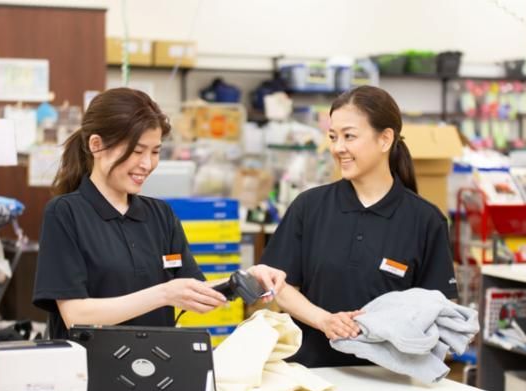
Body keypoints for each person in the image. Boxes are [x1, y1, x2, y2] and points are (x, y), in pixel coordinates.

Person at [33, 88, 285, 339]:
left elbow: (194, 290)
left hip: (157, 359)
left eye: (155, 152)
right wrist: (164, 294)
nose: (147, 164)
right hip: (88, 362)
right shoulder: (65, 213)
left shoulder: (160, 215)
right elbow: (76, 315)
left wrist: (243, 281)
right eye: (137, 151)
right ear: (96, 145)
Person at [261, 86, 458, 368]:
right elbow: (279, 285)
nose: (338, 147)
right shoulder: (309, 207)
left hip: (391, 377)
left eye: (349, 136)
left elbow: (435, 308)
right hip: (314, 374)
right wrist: (324, 320)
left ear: (385, 139)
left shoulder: (425, 220)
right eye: (333, 137)